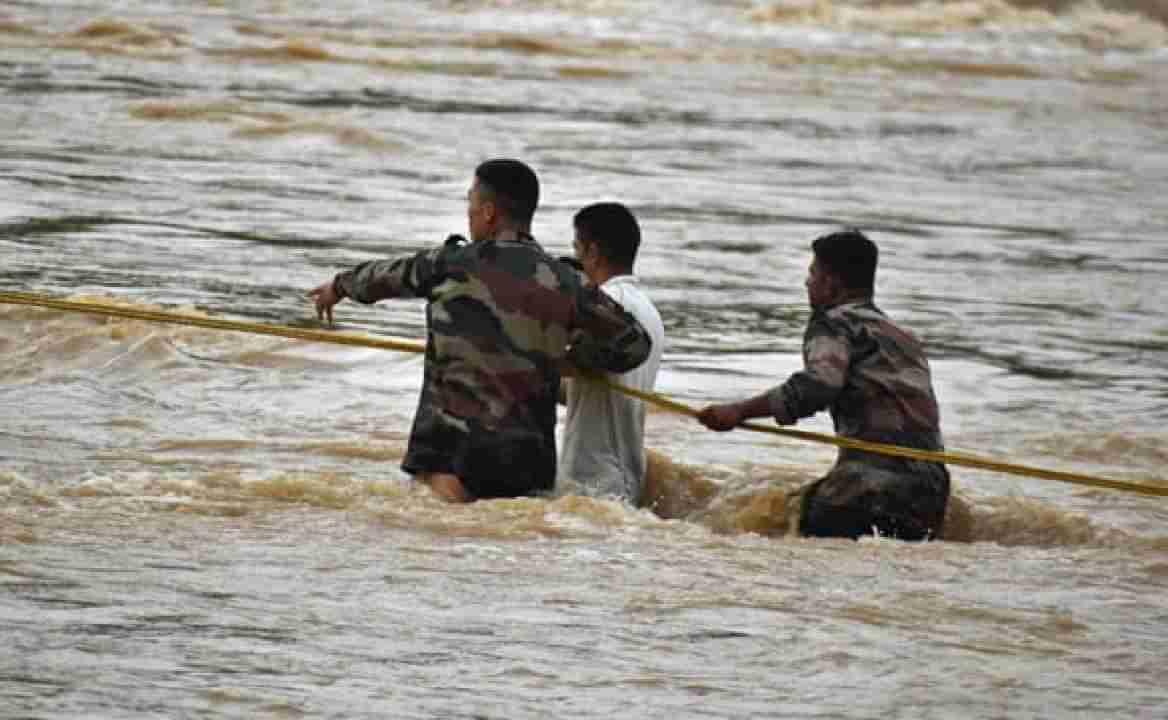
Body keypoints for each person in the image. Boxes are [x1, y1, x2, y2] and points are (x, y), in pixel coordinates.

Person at [308, 159, 653, 503]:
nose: (468, 213)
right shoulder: (567, 281)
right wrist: (568, 360)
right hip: (527, 465)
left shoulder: (449, 264)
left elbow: (384, 278)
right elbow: (634, 345)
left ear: (489, 213)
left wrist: (337, 287)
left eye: (470, 203)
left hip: (452, 457)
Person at [697, 229, 949, 540]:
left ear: (831, 283)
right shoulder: (904, 337)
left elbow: (818, 386)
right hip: (932, 492)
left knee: (777, 535)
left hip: (868, 488)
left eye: (812, 272)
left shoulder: (833, 323)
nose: (807, 282)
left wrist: (738, 411)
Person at [557, 202, 665, 504]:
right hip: (628, 478)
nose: (576, 258)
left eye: (577, 248)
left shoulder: (605, 311)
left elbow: (567, 365)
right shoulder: (649, 313)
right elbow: (593, 381)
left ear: (592, 252)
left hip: (591, 481)